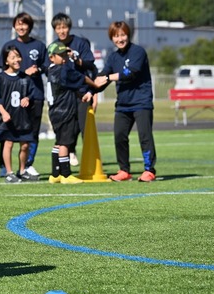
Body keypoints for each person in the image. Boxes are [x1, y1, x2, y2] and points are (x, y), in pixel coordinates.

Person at [93, 21, 157, 183]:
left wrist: (107, 77)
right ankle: (124, 170)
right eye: (116, 36)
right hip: (123, 104)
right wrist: (90, 89)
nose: (120, 39)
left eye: (122, 35)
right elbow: (103, 76)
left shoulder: (138, 52)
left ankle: (149, 170)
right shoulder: (113, 57)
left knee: (145, 136)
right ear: (111, 38)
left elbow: (131, 73)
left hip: (142, 102)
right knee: (119, 136)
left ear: (128, 35)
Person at [0, 12, 48, 180]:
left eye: (24, 24)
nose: (21, 27)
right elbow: (2, 71)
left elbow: (47, 66)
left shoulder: (39, 46)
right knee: (8, 132)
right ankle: (5, 167)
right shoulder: (8, 45)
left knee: (31, 133)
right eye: (18, 24)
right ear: (14, 26)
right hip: (12, 98)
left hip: (35, 95)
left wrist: (37, 70)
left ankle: (27, 165)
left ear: (30, 26)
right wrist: (23, 73)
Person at [51, 12, 98, 166]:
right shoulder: (54, 47)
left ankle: (90, 161)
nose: (61, 31)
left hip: (82, 94)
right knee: (66, 130)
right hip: (64, 97)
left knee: (85, 127)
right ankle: (64, 161)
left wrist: (76, 60)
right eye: (58, 28)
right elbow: (49, 68)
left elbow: (90, 64)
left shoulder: (80, 43)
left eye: (64, 27)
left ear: (69, 28)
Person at [45, 41, 94, 185]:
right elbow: (80, 78)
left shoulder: (52, 70)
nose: (64, 58)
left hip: (54, 112)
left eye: (65, 54)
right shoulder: (62, 70)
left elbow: (68, 87)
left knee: (59, 143)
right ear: (52, 57)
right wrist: (95, 85)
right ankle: (66, 174)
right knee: (66, 143)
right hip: (64, 111)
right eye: (60, 55)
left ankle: (55, 174)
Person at [0, 45, 36, 183]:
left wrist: (27, 98)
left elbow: (32, 93)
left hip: (22, 118)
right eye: (13, 57)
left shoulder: (25, 78)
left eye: (18, 56)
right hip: (8, 118)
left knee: (25, 145)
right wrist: (3, 112)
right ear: (6, 61)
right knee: (8, 143)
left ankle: (22, 170)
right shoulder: (0, 78)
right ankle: (9, 172)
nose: (17, 60)